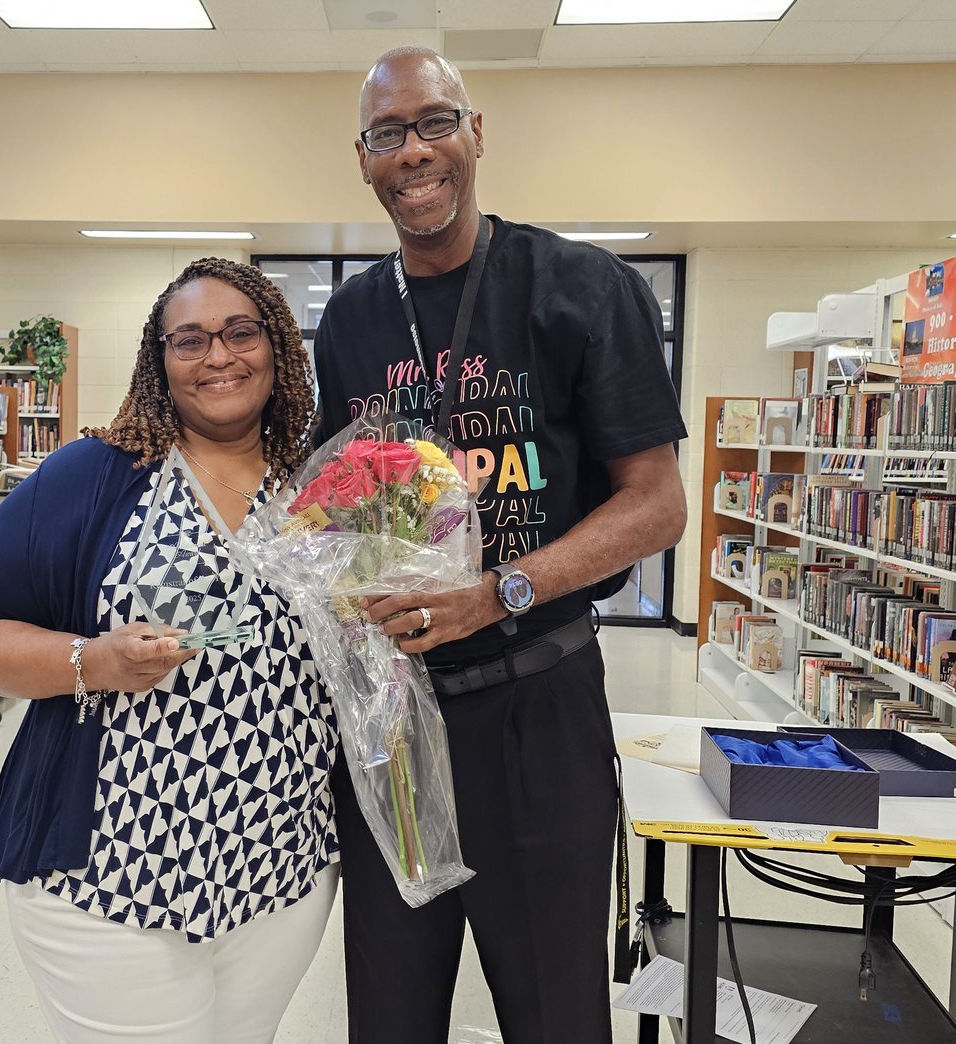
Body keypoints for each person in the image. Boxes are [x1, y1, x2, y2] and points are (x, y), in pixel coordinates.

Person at [312, 47, 689, 1044]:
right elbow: (339, 507)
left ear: (476, 134)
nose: (414, 151)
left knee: (555, 1013)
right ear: (363, 158)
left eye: (435, 122)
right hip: (396, 722)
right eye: (387, 134)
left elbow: (656, 507)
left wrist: (497, 591)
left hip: (537, 704)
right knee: (390, 1014)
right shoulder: (350, 319)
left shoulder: (583, 286)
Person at [0, 258, 338, 1044]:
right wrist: (95, 661)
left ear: (278, 347)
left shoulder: (316, 482)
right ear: (160, 361)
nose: (218, 356)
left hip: (282, 870)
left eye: (241, 333)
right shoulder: (94, 475)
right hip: (112, 872)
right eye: (189, 340)